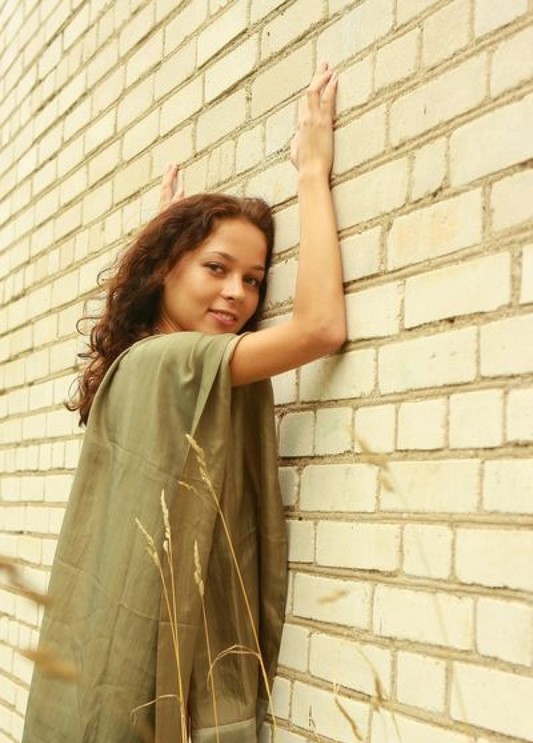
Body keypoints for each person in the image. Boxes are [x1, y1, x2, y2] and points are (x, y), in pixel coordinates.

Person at [21, 62, 345, 743]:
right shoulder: (168, 363)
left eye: (253, 279)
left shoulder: (134, 361)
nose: (237, 294)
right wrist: (313, 173)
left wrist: (168, 230)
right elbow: (320, 328)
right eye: (215, 268)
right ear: (165, 267)